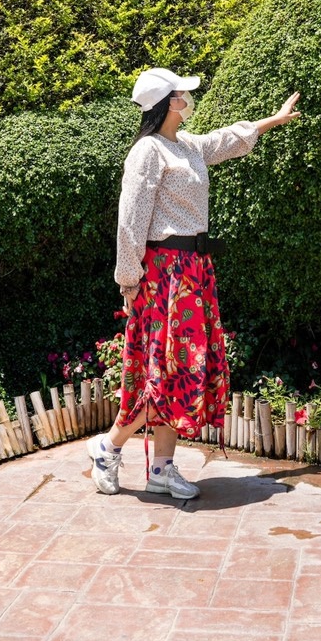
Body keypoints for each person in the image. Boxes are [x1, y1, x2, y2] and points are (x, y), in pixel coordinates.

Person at [87, 68, 300, 499]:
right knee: (161, 371)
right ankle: (108, 448)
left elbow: (226, 140)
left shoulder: (186, 145)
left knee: (181, 369)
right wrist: (129, 281)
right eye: (182, 93)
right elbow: (131, 223)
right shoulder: (147, 152)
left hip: (192, 271)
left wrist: (271, 121)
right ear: (168, 102)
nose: (188, 97)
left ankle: (162, 468)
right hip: (163, 274)